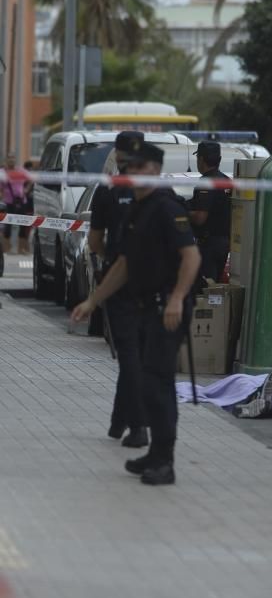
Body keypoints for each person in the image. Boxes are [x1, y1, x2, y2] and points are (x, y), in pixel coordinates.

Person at [72, 139, 201, 485]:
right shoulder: (136, 210)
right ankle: (155, 454)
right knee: (146, 384)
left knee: (158, 386)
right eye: (130, 167)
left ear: (156, 171)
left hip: (166, 308)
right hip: (145, 305)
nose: (135, 173)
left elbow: (192, 256)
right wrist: (93, 301)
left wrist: (176, 298)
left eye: (142, 168)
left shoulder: (165, 206)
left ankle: (165, 461)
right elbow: (124, 265)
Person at [88, 131, 148, 449]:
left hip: (119, 281)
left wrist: (109, 261)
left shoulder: (108, 191)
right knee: (138, 355)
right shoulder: (156, 188)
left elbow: (95, 241)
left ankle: (138, 426)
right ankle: (119, 419)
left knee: (129, 356)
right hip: (153, 285)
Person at [187, 140, 231, 282]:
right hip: (225, 243)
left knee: (206, 287)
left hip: (209, 245)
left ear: (201, 159)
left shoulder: (206, 182)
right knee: (216, 286)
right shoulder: (226, 181)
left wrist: (181, 213)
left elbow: (200, 217)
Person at [0, 155, 27, 254]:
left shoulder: (20, 170)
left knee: (23, 224)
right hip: (8, 202)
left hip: (21, 201)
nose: (12, 159)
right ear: (6, 160)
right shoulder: (2, 173)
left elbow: (31, 178)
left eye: (13, 157)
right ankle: (7, 249)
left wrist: (26, 190)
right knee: (8, 225)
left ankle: (21, 249)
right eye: (9, 158)